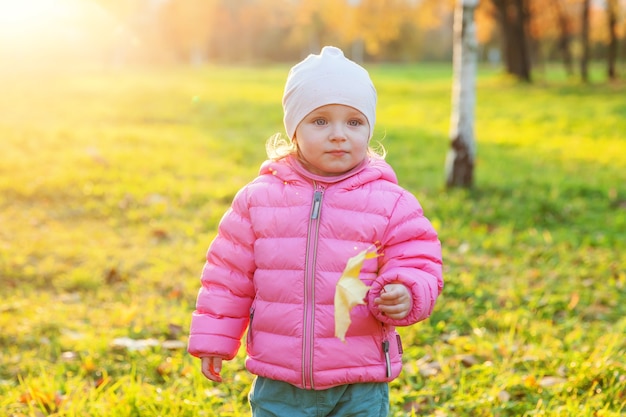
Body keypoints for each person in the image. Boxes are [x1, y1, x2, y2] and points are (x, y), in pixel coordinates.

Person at [188, 46, 443, 417]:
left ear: (369, 128)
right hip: (281, 381)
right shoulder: (259, 200)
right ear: (294, 129)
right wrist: (215, 339)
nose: (338, 135)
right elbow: (228, 276)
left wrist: (405, 289)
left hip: (360, 381)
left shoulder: (390, 202)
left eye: (353, 122)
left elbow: (420, 261)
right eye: (320, 121)